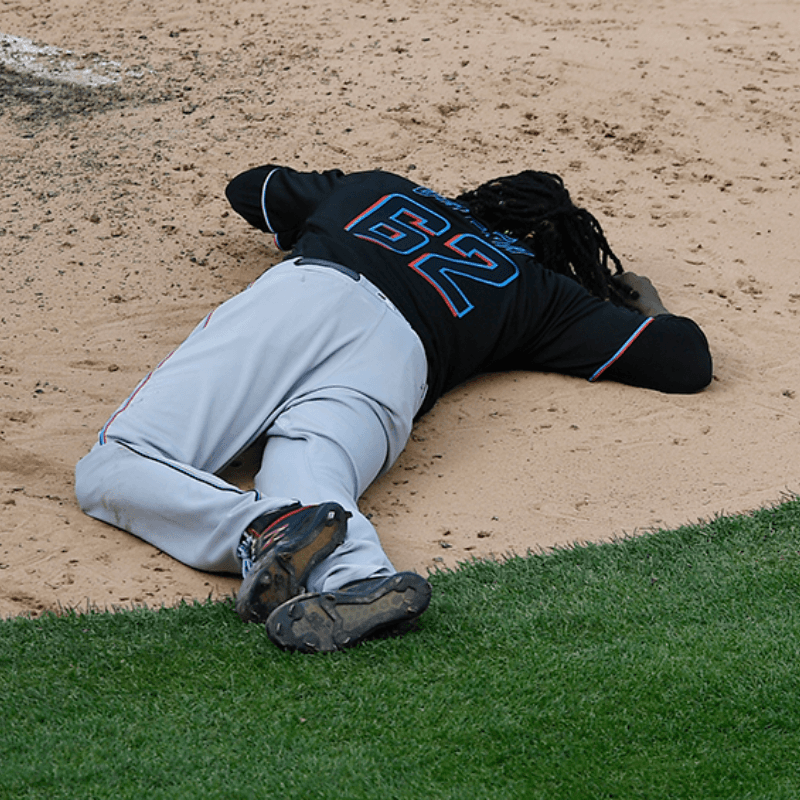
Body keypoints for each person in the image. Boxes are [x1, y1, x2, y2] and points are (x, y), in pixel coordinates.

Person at [75, 165, 712, 653]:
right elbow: (684, 362)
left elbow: (254, 188)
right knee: (313, 480)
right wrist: (643, 303)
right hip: (396, 370)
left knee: (115, 465)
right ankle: (357, 579)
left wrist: (323, 205)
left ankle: (254, 528)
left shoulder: (380, 188)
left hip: (311, 298)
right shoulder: (541, 291)